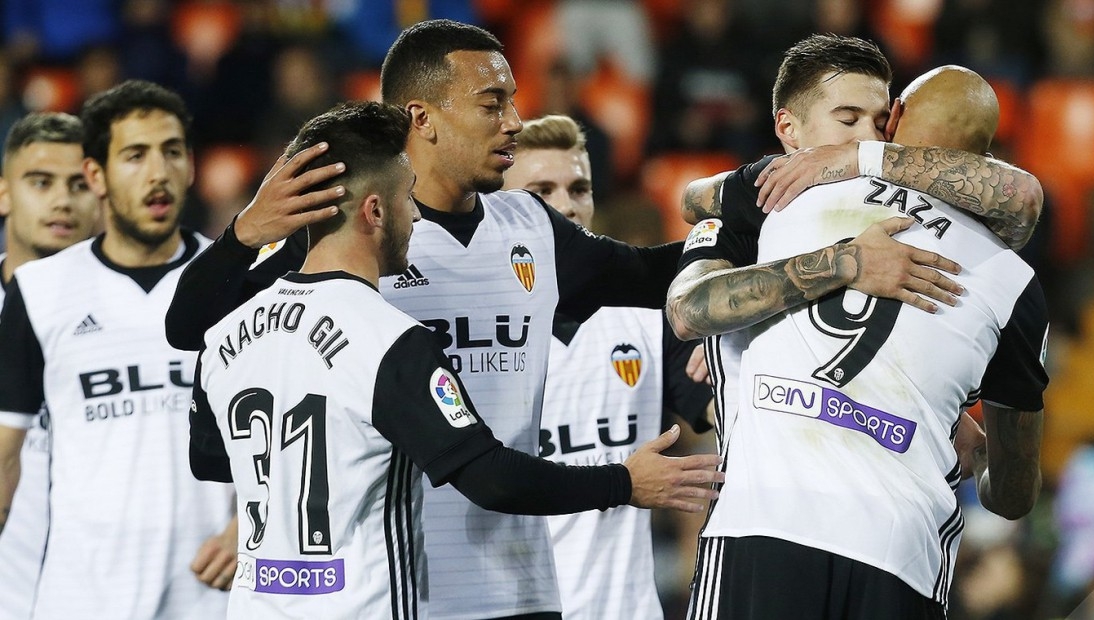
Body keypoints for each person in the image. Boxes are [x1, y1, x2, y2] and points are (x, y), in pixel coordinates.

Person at [165, 19, 699, 620]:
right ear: (423, 118)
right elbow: (195, 329)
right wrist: (243, 235)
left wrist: (751, 220)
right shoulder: (350, 235)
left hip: (518, 583)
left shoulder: (531, 227)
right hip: (396, 589)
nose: (514, 122)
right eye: (492, 104)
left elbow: (652, 274)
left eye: (512, 101)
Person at [683, 65, 1048, 619]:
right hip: (902, 555)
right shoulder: (1015, 283)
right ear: (987, 155)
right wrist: (976, 454)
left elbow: (693, 227)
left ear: (894, 117)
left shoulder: (789, 190)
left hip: (764, 522)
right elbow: (1014, 495)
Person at [0, 80, 235, 618]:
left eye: (172, 152)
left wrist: (248, 526)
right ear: (97, 175)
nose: (158, 172)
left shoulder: (239, 284)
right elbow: (5, 456)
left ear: (192, 167)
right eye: (135, 155)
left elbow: (286, 429)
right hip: (82, 596)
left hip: (210, 592)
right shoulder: (40, 291)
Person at [502, 114, 714, 619]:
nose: (566, 206)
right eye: (541, 191)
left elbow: (720, 413)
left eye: (579, 189)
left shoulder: (648, 319)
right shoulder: (473, 338)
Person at [0, 111, 100, 620]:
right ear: (4, 193)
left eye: (78, 185)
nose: (62, 201)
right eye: (40, 183)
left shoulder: (145, 317)